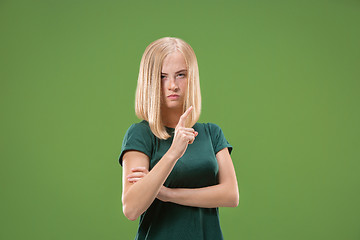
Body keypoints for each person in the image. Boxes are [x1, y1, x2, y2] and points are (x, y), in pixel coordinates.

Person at [118, 37, 239, 240]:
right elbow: (131, 208)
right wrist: (173, 153)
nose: (173, 85)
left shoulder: (211, 133)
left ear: (191, 77)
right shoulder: (140, 135)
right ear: (149, 80)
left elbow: (231, 195)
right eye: (163, 76)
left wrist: (167, 194)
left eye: (180, 75)